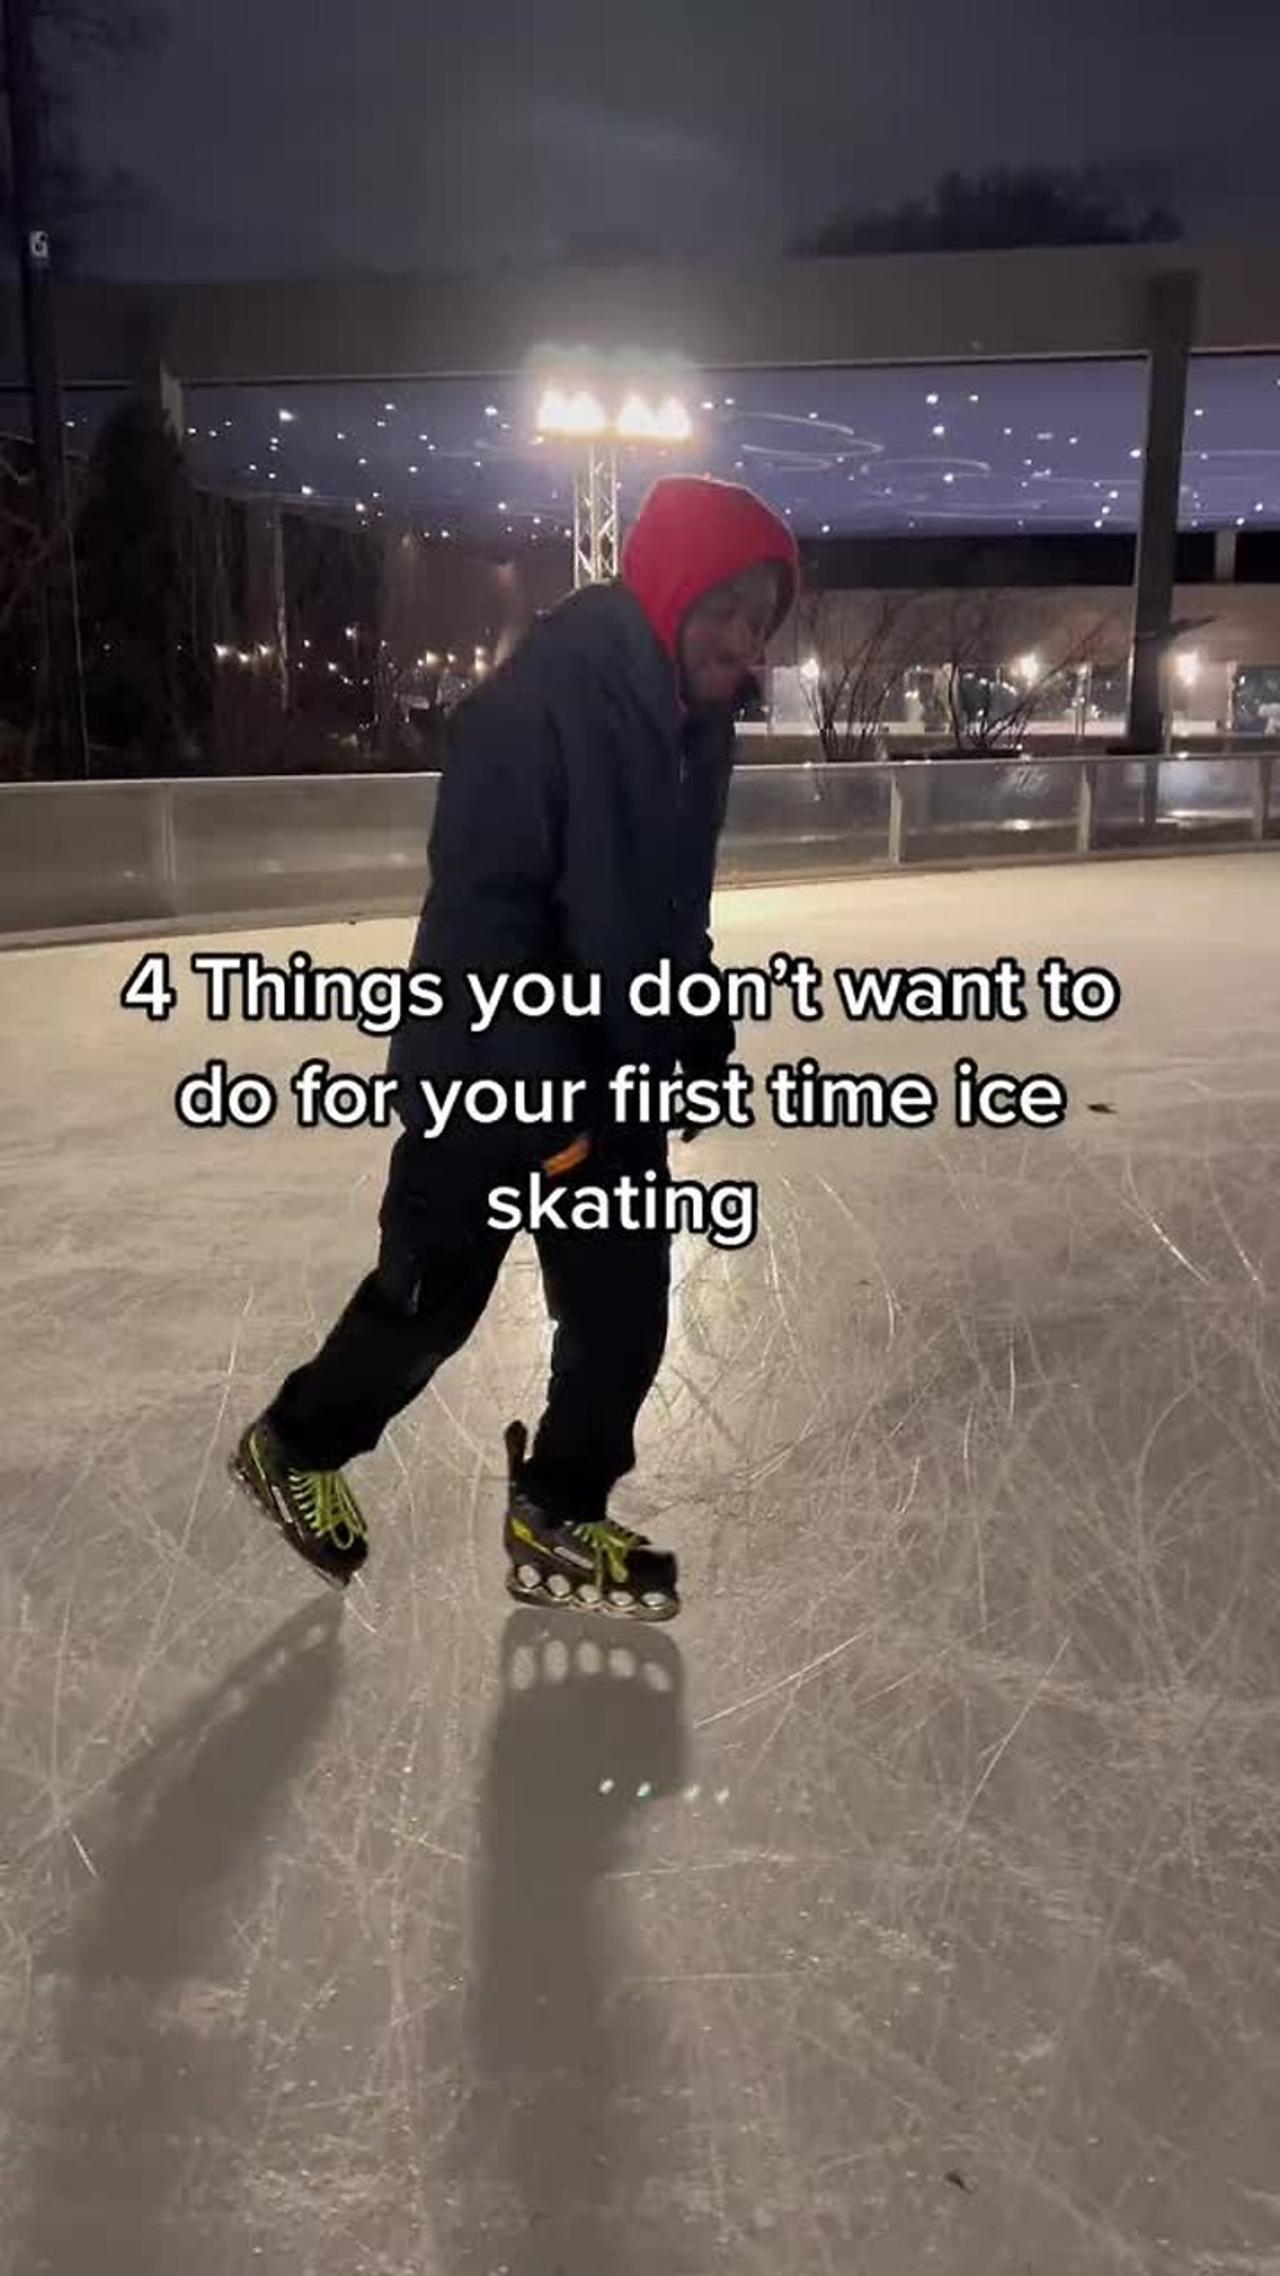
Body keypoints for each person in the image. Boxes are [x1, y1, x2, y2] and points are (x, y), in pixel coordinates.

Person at [231, 476, 799, 1619]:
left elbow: (661, 909)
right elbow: (484, 923)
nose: (745, 643)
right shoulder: (534, 705)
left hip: (611, 1075)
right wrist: (551, 1092)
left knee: (625, 1313)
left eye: (762, 620)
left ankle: (559, 1506)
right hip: (486, 1075)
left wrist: (687, 1023)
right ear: (673, 586)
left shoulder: (697, 731)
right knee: (431, 1301)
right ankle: (296, 1443)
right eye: (729, 610)